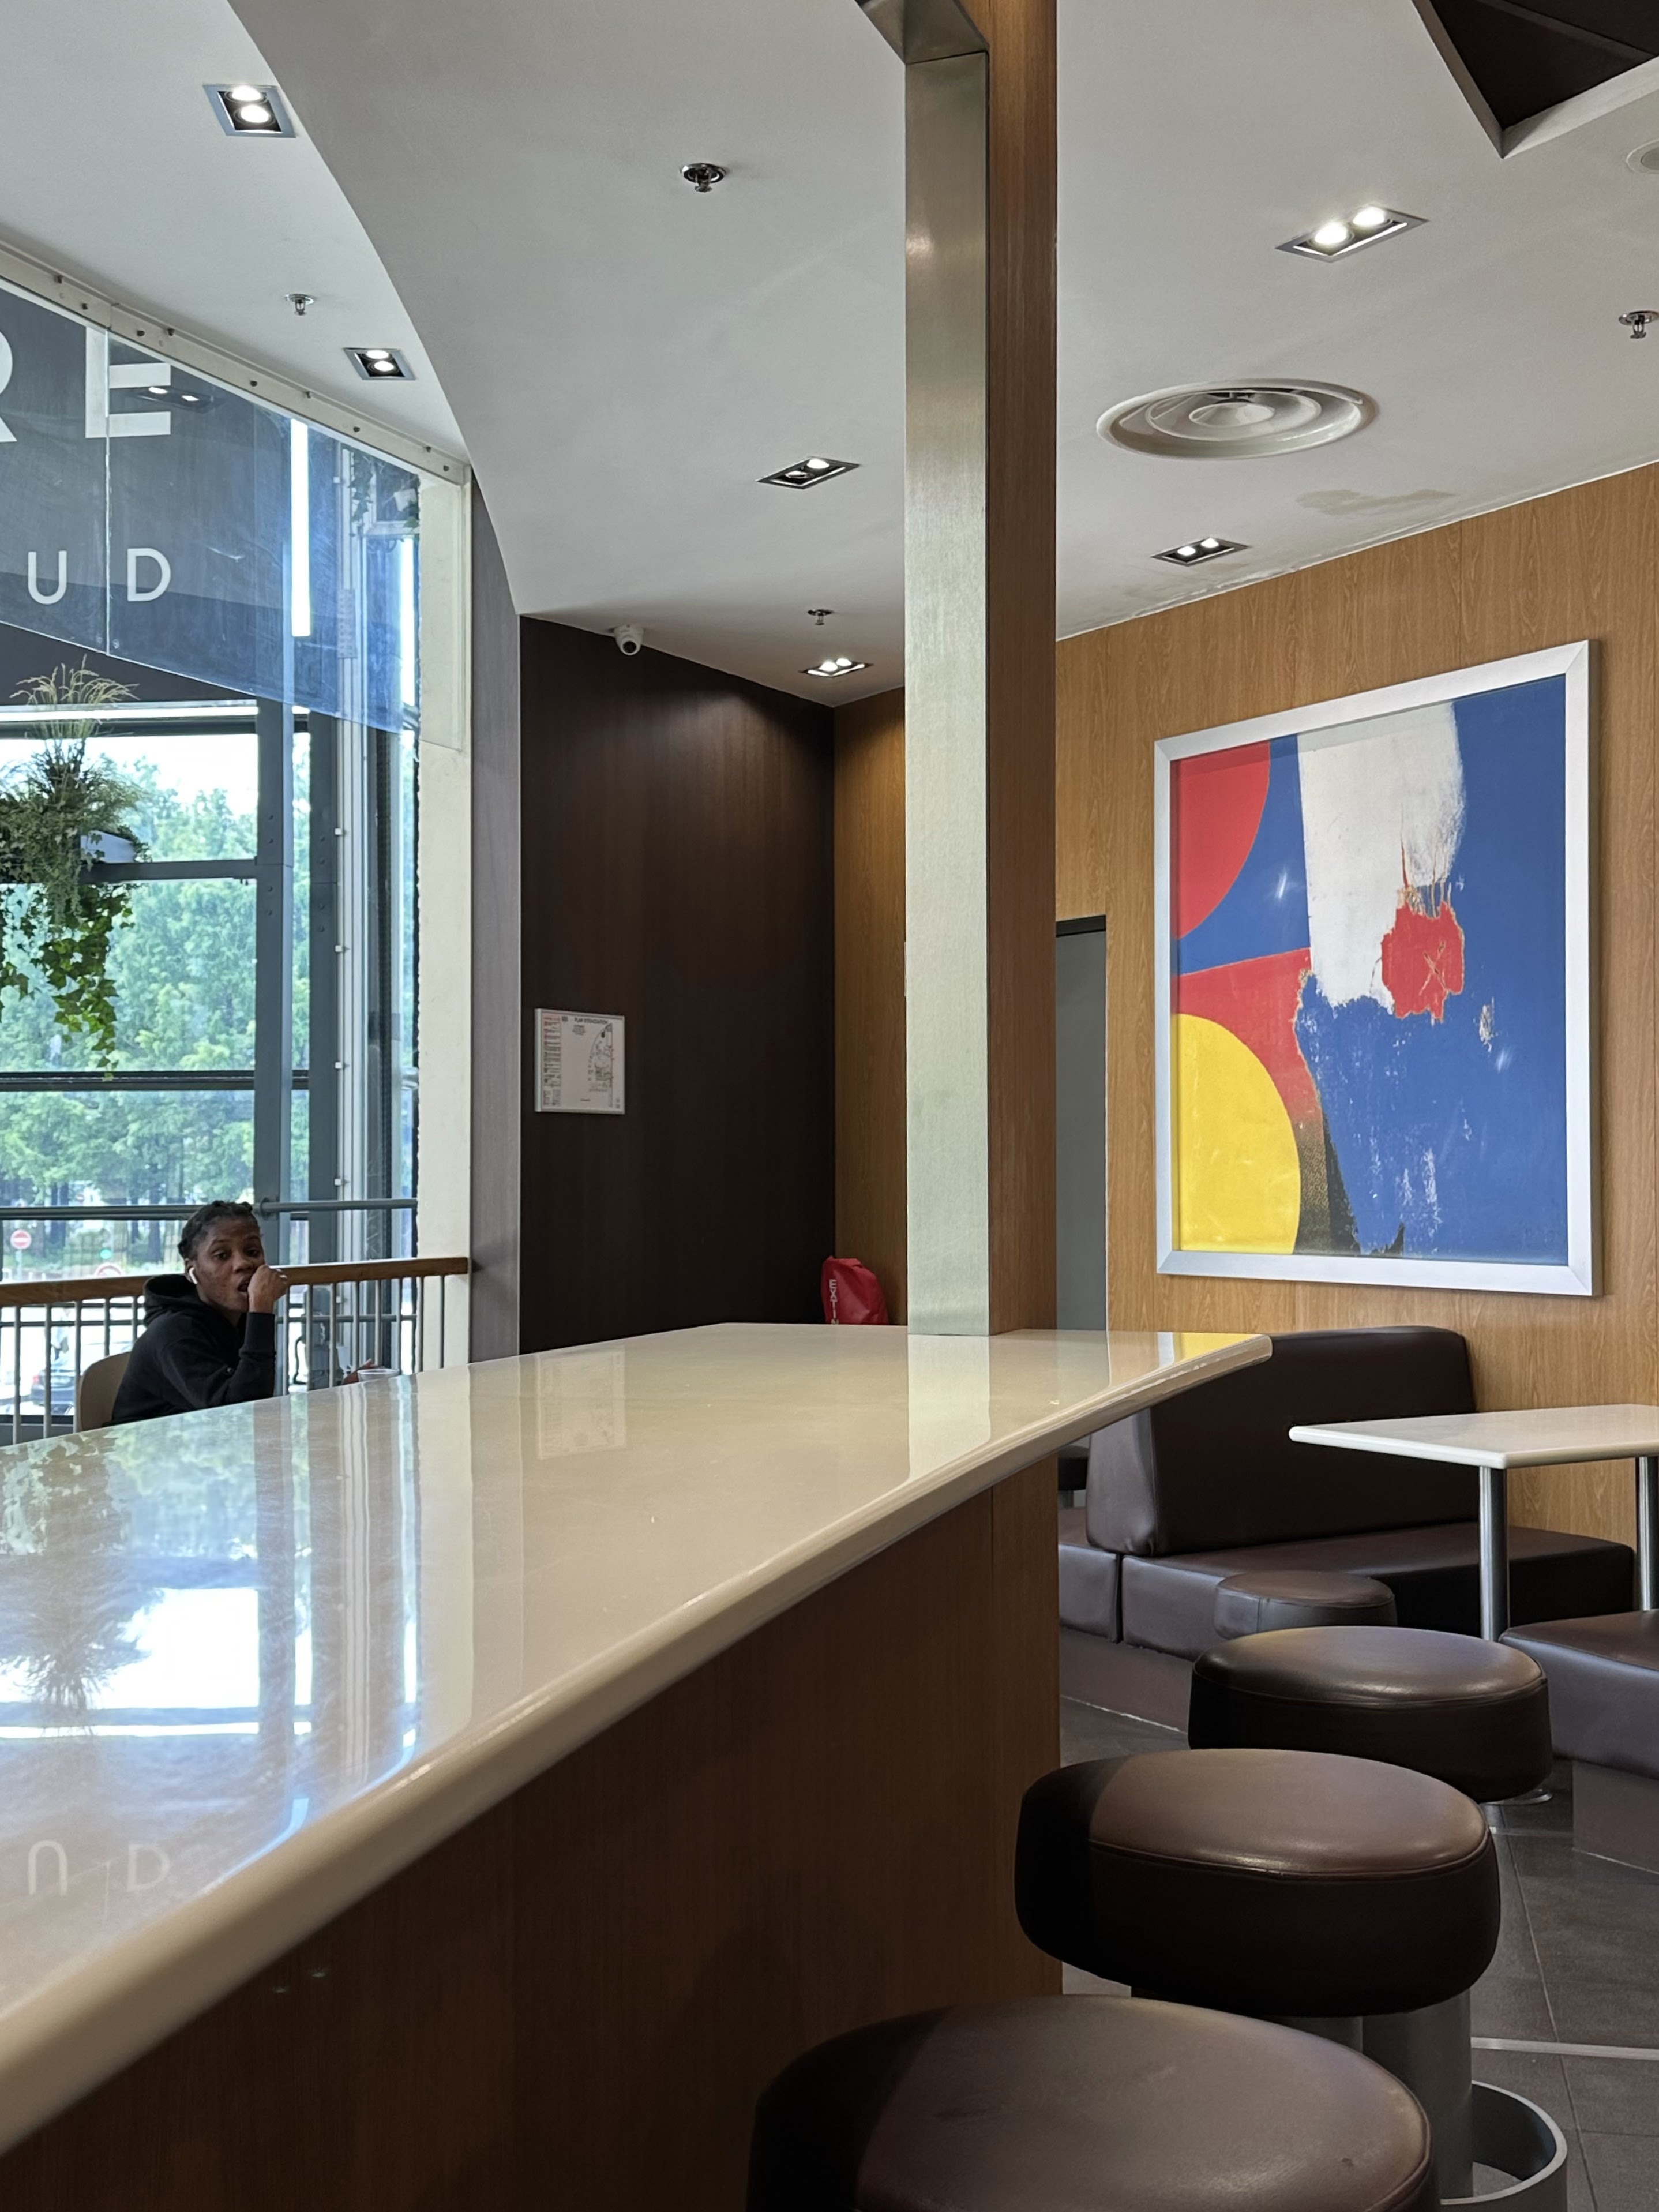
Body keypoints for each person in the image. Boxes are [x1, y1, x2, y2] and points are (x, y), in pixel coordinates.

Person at [110, 1201, 290, 1424]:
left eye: (252, 1252)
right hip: (144, 1443)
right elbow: (242, 1412)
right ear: (192, 1271)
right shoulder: (174, 1332)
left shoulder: (239, 1317)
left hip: (204, 1440)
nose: (243, 1264)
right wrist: (261, 1312)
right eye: (222, 1255)